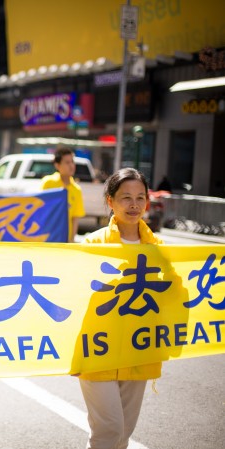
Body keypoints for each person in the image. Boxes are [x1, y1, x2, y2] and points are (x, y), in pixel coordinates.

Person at [78, 167, 162, 449]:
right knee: (108, 432)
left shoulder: (159, 249)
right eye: (126, 197)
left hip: (138, 350)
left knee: (123, 435)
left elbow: (174, 297)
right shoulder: (92, 244)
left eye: (140, 197)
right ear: (110, 201)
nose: (134, 205)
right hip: (97, 350)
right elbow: (75, 297)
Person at [40, 147, 85, 242]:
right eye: (67, 162)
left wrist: (71, 239)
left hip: (64, 239)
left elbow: (75, 218)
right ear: (57, 165)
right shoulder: (48, 183)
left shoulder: (76, 189)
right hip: (47, 237)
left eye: (72, 162)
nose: (71, 165)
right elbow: (40, 210)